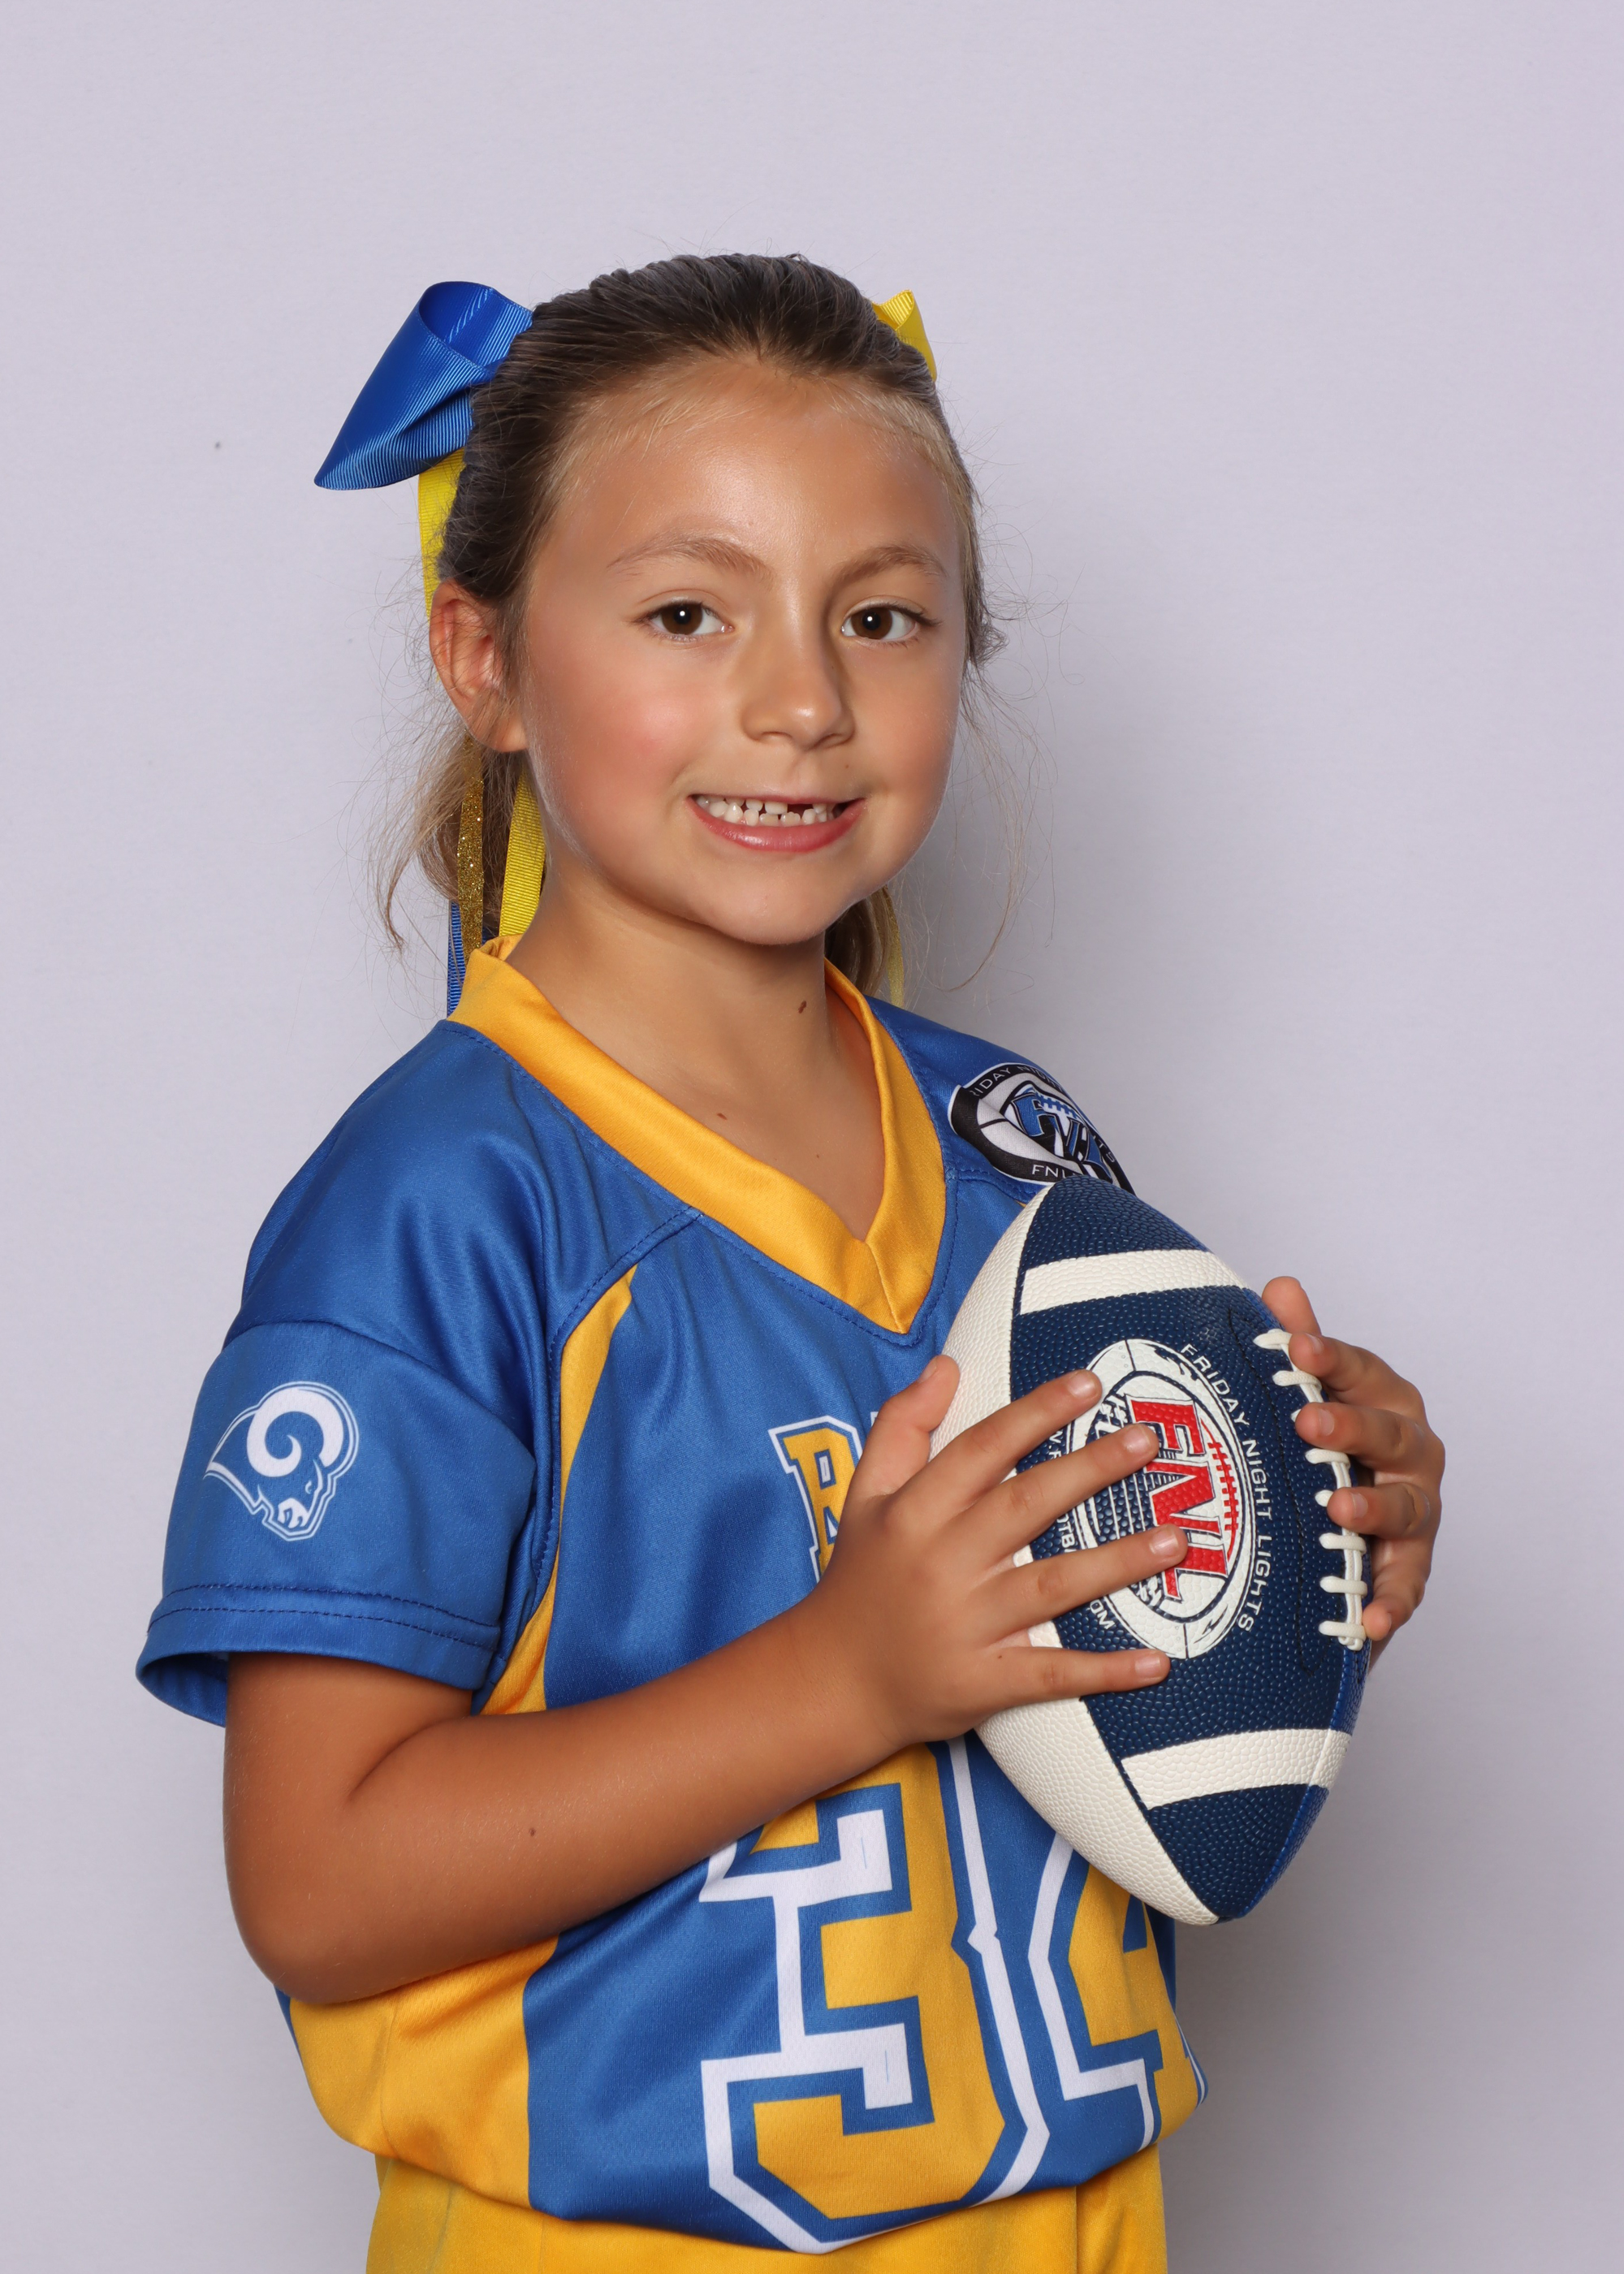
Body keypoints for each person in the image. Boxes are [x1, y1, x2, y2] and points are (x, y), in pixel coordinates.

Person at [137, 255, 1443, 2273]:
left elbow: (1092, 1669)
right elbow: (314, 1880)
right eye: (689, 611)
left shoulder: (1014, 1134)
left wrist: (1289, 1537)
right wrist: (846, 1672)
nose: (805, 701)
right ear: (483, 657)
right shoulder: (444, 1206)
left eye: (880, 614)